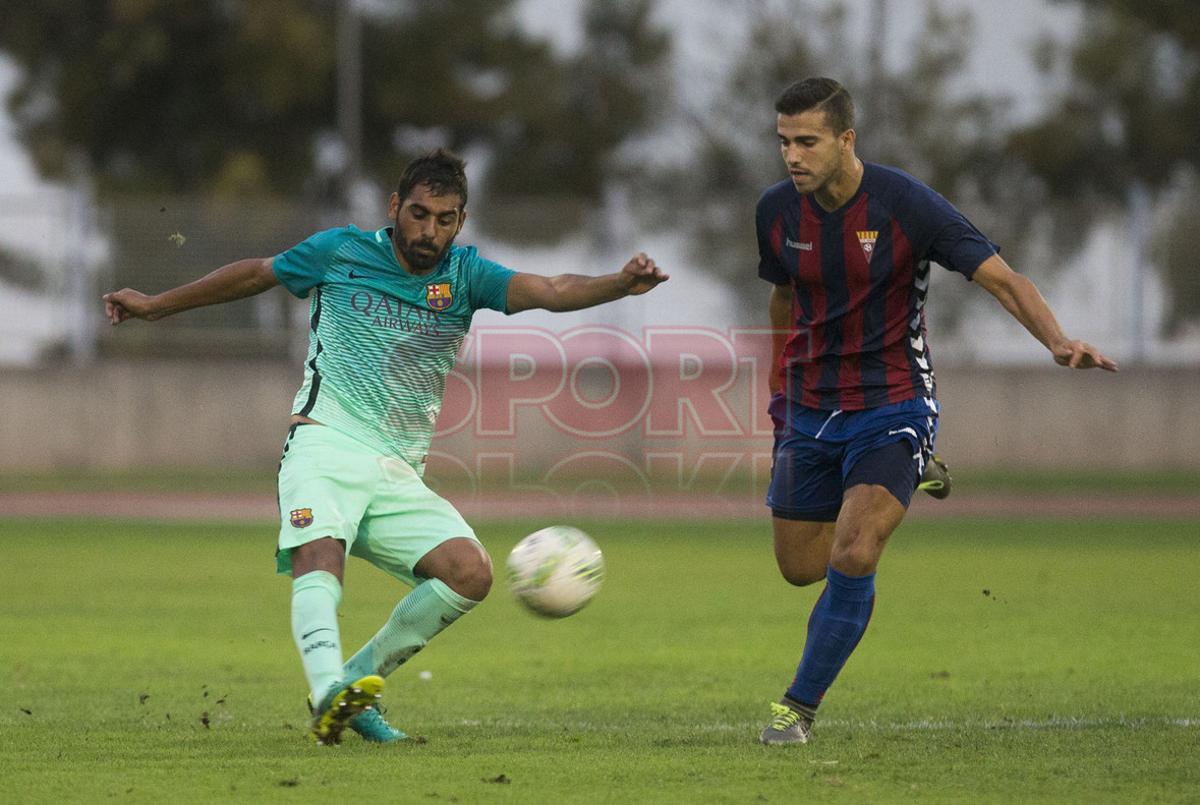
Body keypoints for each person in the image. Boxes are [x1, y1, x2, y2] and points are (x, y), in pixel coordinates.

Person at [103, 148, 668, 745]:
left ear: (461, 221)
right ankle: (328, 691)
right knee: (320, 554)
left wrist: (619, 285)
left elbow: (550, 288)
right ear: (395, 206)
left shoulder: (467, 275)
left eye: (445, 220)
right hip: (324, 441)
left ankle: (352, 685)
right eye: (419, 214)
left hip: (397, 469)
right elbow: (255, 274)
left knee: (469, 573)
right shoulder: (340, 251)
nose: (430, 231)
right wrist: (156, 306)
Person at [754, 78, 1115, 745]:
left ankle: (795, 710)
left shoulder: (905, 205)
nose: (792, 156)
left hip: (892, 401)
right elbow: (781, 298)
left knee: (855, 549)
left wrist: (1058, 341)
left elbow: (1002, 278)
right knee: (800, 567)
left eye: (807, 141)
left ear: (846, 139)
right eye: (784, 142)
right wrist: (779, 385)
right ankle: (911, 475)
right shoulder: (776, 212)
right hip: (809, 407)